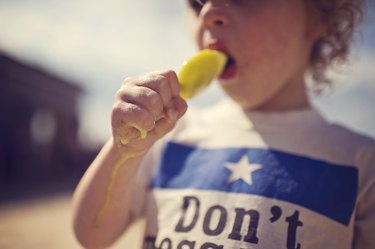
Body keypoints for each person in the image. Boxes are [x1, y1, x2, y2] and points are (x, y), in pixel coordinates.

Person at [72, 0, 375, 248]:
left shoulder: (361, 164)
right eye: (196, 3)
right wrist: (125, 148)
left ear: (318, 13)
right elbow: (92, 235)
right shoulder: (168, 133)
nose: (208, 13)